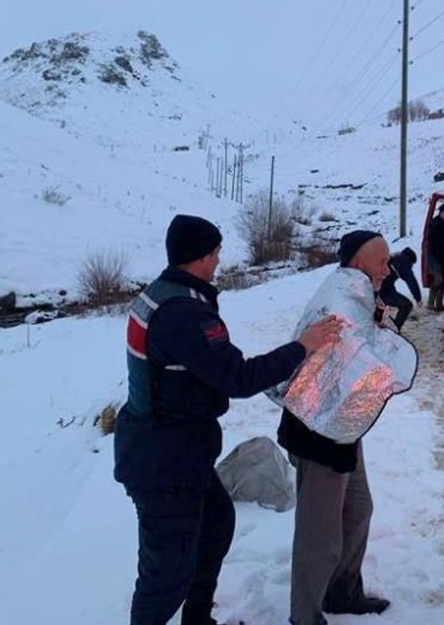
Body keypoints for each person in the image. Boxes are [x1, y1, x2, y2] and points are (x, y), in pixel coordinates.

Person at [114, 214, 342, 625]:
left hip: (175, 450)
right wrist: (302, 347)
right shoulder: (184, 313)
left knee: (216, 526)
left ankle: (198, 618)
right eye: (215, 251)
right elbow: (239, 377)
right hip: (164, 461)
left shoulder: (163, 293)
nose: (219, 259)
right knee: (165, 575)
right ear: (198, 257)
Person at [275, 230, 418, 625]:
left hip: (340, 425)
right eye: (382, 261)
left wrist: (389, 299)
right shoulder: (342, 297)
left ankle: (341, 592)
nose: (387, 269)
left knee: (357, 509)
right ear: (358, 263)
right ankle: (304, 615)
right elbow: (369, 352)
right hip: (317, 429)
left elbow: (378, 325)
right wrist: (389, 309)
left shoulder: (358, 292)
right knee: (318, 534)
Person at [377, 247, 421, 331]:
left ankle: (388, 325)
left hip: (375, 289)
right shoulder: (402, 263)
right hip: (383, 291)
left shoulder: (392, 257)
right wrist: (418, 298)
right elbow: (411, 281)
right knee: (407, 305)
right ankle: (395, 329)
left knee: (380, 309)